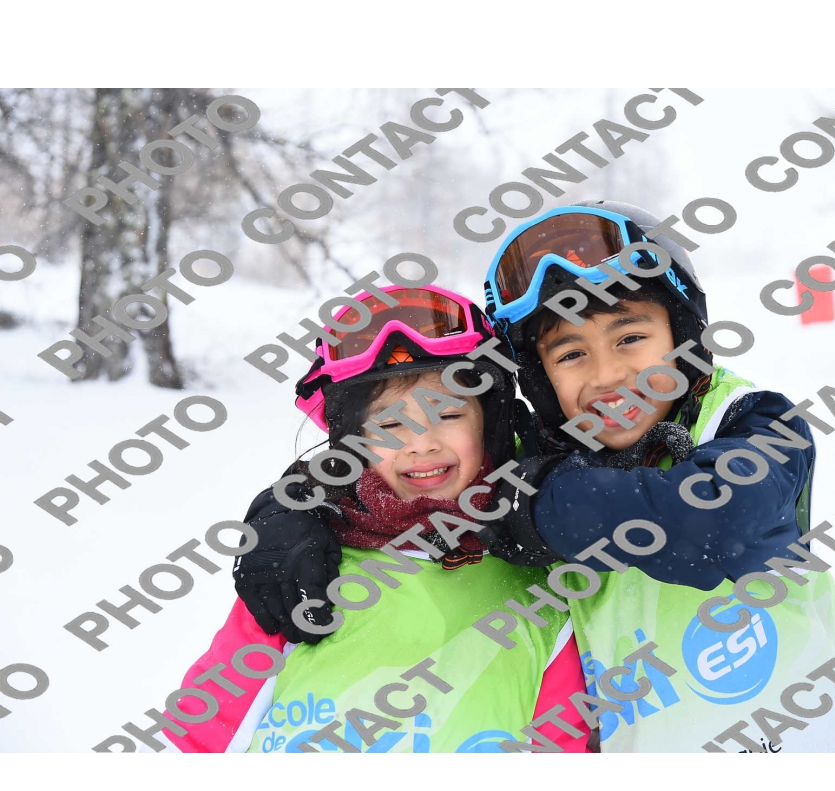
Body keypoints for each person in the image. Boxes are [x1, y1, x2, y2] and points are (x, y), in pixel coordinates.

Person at [477, 200, 835, 753]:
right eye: (572, 353)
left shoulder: (755, 420)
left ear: (681, 336)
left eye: (630, 338)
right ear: (540, 377)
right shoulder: (550, 456)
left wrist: (538, 507)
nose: (608, 376)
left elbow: (712, 522)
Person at [163, 284, 587, 753]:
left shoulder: (540, 576)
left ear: (489, 422)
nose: (421, 444)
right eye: (388, 425)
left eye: (448, 413)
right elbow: (200, 735)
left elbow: (562, 740)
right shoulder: (301, 570)